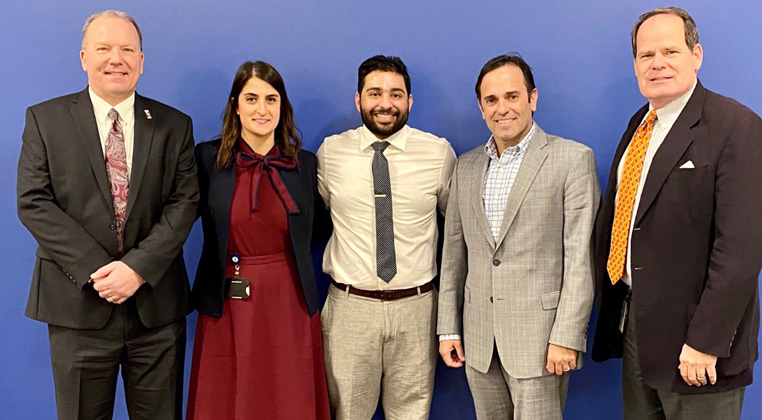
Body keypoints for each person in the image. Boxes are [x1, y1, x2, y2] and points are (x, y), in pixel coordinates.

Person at [591, 7, 762, 419]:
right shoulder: (640, 125)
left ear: (697, 55)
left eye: (670, 51)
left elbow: (741, 251)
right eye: (645, 54)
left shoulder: (735, 126)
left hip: (700, 346)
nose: (657, 63)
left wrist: (706, 341)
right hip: (636, 328)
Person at [16, 10, 198, 419]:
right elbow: (33, 201)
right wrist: (101, 269)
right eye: (104, 48)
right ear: (84, 57)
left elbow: (184, 204)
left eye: (127, 49)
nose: (117, 58)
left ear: (141, 60)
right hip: (77, 306)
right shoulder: (44, 120)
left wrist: (135, 269)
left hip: (155, 311)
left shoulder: (174, 125)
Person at [436, 53, 599, 419]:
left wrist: (567, 336)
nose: (502, 109)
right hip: (478, 342)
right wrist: (448, 328)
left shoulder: (572, 159)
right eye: (491, 100)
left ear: (533, 98)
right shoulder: (466, 165)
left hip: (541, 342)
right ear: (480, 108)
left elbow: (580, 260)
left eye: (512, 96)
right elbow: (453, 257)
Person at [187, 61, 331, 419]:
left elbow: (323, 229)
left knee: (287, 396)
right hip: (228, 302)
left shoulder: (305, 164)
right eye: (251, 98)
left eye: (271, 99)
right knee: (228, 398)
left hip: (290, 300)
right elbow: (177, 219)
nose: (262, 109)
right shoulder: (207, 160)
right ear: (236, 104)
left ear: (282, 107)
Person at [317, 55, 456, 419]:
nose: (385, 104)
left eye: (396, 94)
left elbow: (457, 231)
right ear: (358, 99)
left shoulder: (438, 153)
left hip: (418, 308)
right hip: (350, 309)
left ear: (410, 101)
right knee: (347, 413)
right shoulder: (331, 153)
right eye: (374, 92)